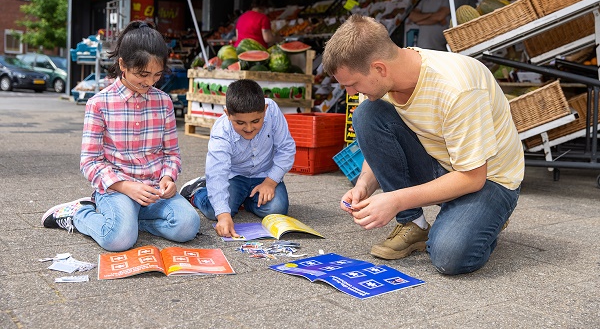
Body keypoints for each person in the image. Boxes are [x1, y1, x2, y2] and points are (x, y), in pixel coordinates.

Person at [322, 14, 524, 275]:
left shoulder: (457, 89)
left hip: (489, 180)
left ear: (379, 68)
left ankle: (487, 219)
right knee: (366, 115)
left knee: (449, 256)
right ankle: (414, 224)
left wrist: (395, 199)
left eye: (352, 84)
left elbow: (473, 178)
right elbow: (381, 147)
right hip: (440, 164)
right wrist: (364, 186)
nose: (350, 92)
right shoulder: (376, 82)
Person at [41, 20, 200, 251]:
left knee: (188, 226)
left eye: (157, 75)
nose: (149, 82)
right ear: (122, 64)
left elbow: (171, 154)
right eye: (143, 74)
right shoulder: (99, 104)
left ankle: (129, 224)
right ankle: (80, 214)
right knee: (118, 241)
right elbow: (89, 162)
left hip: (154, 190)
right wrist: (126, 187)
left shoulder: (164, 102)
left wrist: (168, 178)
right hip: (117, 190)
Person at [180, 79, 296, 238]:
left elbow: (286, 148)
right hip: (234, 176)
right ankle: (197, 191)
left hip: (264, 175)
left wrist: (270, 182)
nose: (249, 128)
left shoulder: (273, 111)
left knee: (277, 209)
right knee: (215, 211)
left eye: (256, 121)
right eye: (240, 122)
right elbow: (217, 173)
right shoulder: (221, 131)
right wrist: (223, 216)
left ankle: (245, 199)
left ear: (265, 109)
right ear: (227, 113)